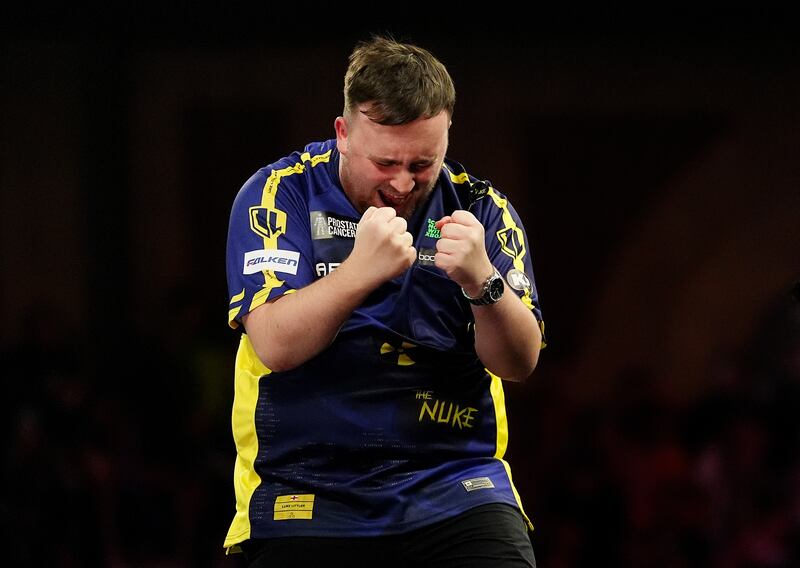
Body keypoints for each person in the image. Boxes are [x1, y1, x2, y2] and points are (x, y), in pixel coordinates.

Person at [224, 36, 545, 567]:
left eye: (423, 163)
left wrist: (483, 283)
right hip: (307, 490)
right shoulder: (278, 195)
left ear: (446, 136)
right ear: (344, 134)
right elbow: (276, 345)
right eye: (385, 162)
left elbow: (520, 361)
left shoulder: (482, 209)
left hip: (455, 485)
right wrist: (358, 274)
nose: (401, 182)